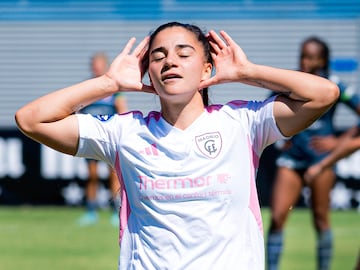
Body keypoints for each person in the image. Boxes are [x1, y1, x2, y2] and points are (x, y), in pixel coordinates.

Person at [15, 22, 339, 269]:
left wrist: (247, 72)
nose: (171, 61)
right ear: (148, 74)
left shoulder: (243, 122)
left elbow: (324, 94)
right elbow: (31, 120)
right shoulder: (125, 131)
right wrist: (108, 83)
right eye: (159, 56)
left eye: (184, 54)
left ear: (207, 68)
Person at [266, 36, 360, 270]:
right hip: (292, 159)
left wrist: (337, 142)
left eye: (310, 56)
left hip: (322, 161)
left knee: (320, 220)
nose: (304, 61)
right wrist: (281, 140)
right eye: (302, 55)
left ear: (323, 59)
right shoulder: (292, 83)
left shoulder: (336, 86)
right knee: (277, 217)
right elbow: (266, 113)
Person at [78, 53, 128, 227]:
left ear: (105, 66)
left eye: (100, 65)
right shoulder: (87, 88)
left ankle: (116, 211)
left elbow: (122, 113)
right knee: (92, 176)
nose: (97, 68)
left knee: (113, 176)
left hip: (109, 141)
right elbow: (78, 110)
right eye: (94, 65)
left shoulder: (115, 90)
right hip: (91, 140)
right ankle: (91, 212)